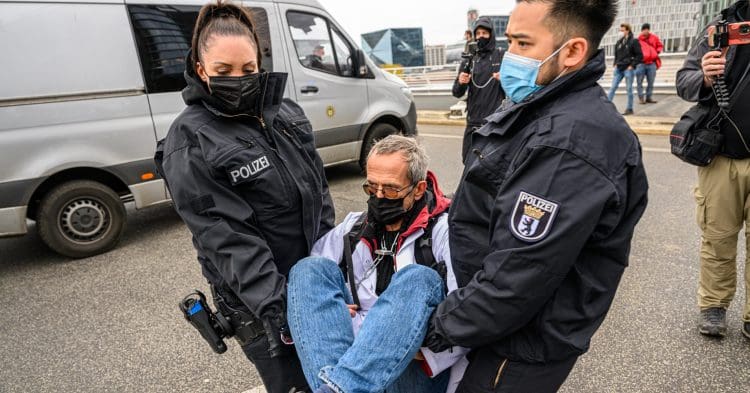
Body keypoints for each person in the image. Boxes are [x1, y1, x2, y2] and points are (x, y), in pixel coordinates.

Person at [423, 1, 649, 391]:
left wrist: (438, 328)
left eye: (523, 44)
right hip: (494, 324)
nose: (510, 56)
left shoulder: (570, 143)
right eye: (509, 41)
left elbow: (517, 277)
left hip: (517, 343)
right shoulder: (543, 106)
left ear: (573, 52)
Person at [153, 2, 334, 392]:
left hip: (316, 283)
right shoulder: (189, 140)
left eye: (247, 70)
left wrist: (336, 264)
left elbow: (319, 193)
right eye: (223, 71)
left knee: (337, 378)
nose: (238, 79)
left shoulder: (285, 113)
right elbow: (226, 239)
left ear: (259, 63)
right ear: (201, 69)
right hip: (264, 306)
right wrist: (283, 311)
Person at [287, 135, 469, 393]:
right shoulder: (353, 227)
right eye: (372, 188)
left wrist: (406, 337)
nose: (380, 196)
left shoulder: (443, 232)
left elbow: (467, 311)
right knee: (308, 270)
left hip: (412, 366)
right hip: (351, 356)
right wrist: (333, 306)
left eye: (391, 189)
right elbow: (311, 291)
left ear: (418, 189)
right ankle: (338, 388)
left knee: (418, 278)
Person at [675, 0, 750, 339]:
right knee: (717, 237)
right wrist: (705, 76)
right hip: (722, 156)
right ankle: (714, 306)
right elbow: (684, 80)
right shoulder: (719, 29)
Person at [453, 16, 505, 163]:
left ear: (491, 34)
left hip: (494, 123)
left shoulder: (501, 56)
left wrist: (505, 80)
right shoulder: (469, 59)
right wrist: (461, 82)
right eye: (478, 33)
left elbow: (514, 91)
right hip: (473, 122)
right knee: (468, 162)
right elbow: (456, 92)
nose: (481, 36)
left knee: (491, 165)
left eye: (485, 33)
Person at [607, 23, 643, 115]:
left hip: (628, 68)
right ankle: (605, 107)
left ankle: (629, 108)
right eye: (620, 30)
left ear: (627, 31)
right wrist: (615, 63)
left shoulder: (634, 41)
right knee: (612, 88)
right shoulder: (619, 43)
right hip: (619, 68)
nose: (620, 32)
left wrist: (632, 65)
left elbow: (639, 55)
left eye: (622, 30)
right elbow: (616, 54)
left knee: (629, 89)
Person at [636, 23, 663, 104]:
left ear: (649, 30)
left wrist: (656, 52)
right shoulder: (638, 40)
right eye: (644, 29)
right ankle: (641, 98)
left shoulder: (654, 38)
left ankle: (649, 97)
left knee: (651, 82)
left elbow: (660, 45)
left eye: (647, 29)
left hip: (651, 63)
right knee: (639, 82)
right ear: (642, 31)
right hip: (641, 63)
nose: (645, 31)